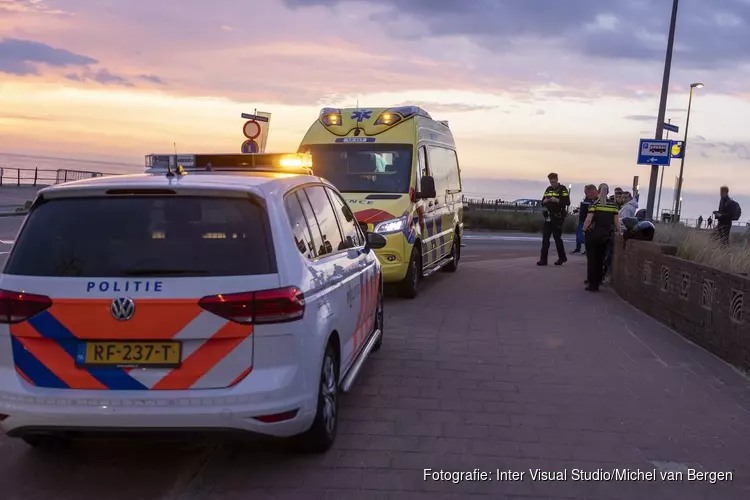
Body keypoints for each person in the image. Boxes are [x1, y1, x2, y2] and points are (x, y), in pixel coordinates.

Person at [583, 183, 620, 292]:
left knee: (592, 259)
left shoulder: (594, 205)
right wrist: (620, 232)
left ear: (599, 192)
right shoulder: (613, 206)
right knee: (600, 259)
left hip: (593, 235)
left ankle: (592, 284)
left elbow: (588, 220)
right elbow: (616, 222)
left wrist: (584, 230)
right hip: (606, 236)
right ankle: (599, 280)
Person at [537, 172, 570, 266]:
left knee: (557, 238)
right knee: (545, 238)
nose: (552, 183)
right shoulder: (548, 189)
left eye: (554, 181)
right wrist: (546, 201)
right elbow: (542, 202)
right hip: (548, 216)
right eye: (551, 182)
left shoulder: (562, 189)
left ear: (557, 180)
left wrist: (557, 200)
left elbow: (567, 202)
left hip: (558, 217)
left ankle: (562, 257)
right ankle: (543, 260)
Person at [572, 184, 598, 254]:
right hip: (582, 218)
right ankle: (579, 248)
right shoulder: (585, 199)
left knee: (583, 235)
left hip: (586, 220)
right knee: (579, 235)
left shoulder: (593, 200)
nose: (585, 192)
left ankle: (587, 249)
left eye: (586, 191)